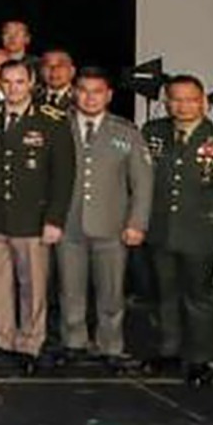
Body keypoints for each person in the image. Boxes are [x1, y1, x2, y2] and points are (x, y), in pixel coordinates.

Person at [0, 60, 72, 371]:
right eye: (7, 82)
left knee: (32, 285)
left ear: (32, 82)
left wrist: (55, 219)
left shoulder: (52, 120)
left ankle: (30, 343)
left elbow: (63, 175)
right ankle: (2, 338)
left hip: (31, 219)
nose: (13, 88)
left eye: (20, 82)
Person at [139, 75, 213, 386]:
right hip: (160, 230)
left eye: (190, 99)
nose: (183, 105)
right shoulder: (153, 133)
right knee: (165, 295)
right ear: (167, 101)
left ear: (202, 102)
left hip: (201, 232)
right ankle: (169, 350)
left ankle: (200, 358)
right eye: (176, 99)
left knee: (199, 298)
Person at [56, 66, 149, 365]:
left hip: (111, 225)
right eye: (83, 90)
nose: (90, 97)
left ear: (108, 95)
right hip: (68, 225)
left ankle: (110, 345)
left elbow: (143, 183)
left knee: (111, 293)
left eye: (97, 91)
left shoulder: (126, 132)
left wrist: (137, 223)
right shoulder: (59, 127)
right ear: (74, 92)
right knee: (70, 290)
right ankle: (74, 341)